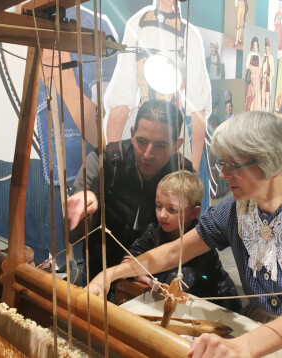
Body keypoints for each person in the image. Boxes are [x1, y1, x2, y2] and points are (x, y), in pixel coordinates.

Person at [89, 111, 282, 358]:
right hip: (256, 329)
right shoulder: (236, 209)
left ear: (269, 161)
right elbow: (175, 252)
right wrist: (111, 274)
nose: (223, 173)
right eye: (221, 163)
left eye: (233, 164)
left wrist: (245, 346)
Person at [67, 100, 193, 280]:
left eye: (160, 145)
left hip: (153, 278)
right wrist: (82, 214)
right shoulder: (104, 160)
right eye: (141, 141)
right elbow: (73, 235)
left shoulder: (184, 175)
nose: (148, 154)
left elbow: (188, 241)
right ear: (132, 134)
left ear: (177, 145)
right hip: (98, 272)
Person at [104, 0, 211, 175]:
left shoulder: (189, 35)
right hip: (140, 127)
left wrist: (194, 174)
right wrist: (112, 168)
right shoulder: (137, 25)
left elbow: (198, 110)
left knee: (172, 194)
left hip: (173, 132)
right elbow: (121, 99)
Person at [117, 171, 241, 312]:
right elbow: (129, 259)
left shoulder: (201, 241)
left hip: (216, 307)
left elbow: (183, 285)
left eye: (172, 209)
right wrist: (142, 275)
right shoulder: (154, 231)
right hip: (175, 306)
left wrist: (148, 279)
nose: (162, 215)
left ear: (194, 213)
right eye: (158, 206)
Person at [245, 37, 262, 111]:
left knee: (257, 92)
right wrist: (250, 74)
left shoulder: (258, 56)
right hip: (252, 76)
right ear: (252, 46)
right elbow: (247, 66)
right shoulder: (250, 55)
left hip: (257, 77)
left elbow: (260, 67)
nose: (255, 46)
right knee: (252, 92)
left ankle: (256, 109)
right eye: (254, 45)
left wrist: (260, 74)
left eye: (256, 45)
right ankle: (251, 109)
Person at [261, 37, 275, 112]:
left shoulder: (271, 57)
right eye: (265, 48)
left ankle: (267, 111)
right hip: (263, 79)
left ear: (269, 49)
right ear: (264, 48)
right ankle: (262, 110)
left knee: (267, 96)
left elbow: (273, 70)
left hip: (268, 80)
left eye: (268, 48)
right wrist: (261, 76)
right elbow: (260, 67)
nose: (266, 50)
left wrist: (269, 77)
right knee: (262, 96)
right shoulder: (262, 57)